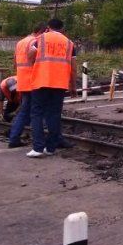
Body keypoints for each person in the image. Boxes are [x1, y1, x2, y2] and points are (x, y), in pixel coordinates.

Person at [26, 19, 77, 158]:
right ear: (62, 28)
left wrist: (35, 64)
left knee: (37, 113)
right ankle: (50, 148)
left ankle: (37, 147)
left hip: (41, 81)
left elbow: (30, 55)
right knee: (54, 115)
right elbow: (73, 68)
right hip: (60, 83)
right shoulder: (69, 43)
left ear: (48, 27)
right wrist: (73, 86)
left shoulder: (41, 39)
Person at [7, 22, 46, 148]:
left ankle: (14, 137)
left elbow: (15, 62)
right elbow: (34, 59)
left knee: (26, 110)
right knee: (30, 111)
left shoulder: (21, 42)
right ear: (41, 31)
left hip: (22, 79)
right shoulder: (35, 41)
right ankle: (15, 138)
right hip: (32, 79)